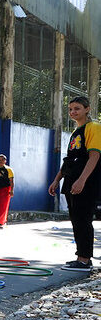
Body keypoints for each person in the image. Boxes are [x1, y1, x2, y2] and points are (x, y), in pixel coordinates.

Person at [48, 96, 100, 272]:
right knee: (76, 220)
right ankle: (81, 257)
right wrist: (56, 179)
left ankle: (84, 260)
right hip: (71, 181)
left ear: (87, 109)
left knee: (83, 219)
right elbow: (69, 160)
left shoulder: (94, 127)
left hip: (86, 182)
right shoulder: (76, 132)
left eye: (77, 108)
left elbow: (94, 156)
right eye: (70, 109)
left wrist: (82, 180)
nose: (73, 112)